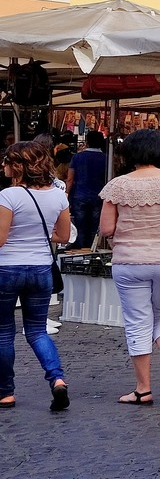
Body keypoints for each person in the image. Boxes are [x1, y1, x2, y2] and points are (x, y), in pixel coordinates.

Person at [99, 129, 160, 406]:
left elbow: (106, 228)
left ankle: (143, 389)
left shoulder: (118, 186)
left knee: (137, 322)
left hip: (129, 263)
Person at [0, 142, 71, 411]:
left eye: (6, 160)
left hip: (7, 268)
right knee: (37, 331)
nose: (3, 165)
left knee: (4, 333)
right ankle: (57, 379)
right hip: (41, 269)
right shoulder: (58, 196)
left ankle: (5, 392)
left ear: (18, 165)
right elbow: (63, 237)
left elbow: (0, 239)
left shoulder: (8, 196)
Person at [65, 130, 108, 249]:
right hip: (99, 196)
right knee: (95, 225)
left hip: (80, 196)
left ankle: (81, 250)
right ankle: (92, 249)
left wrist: (66, 194)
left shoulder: (77, 157)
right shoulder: (106, 158)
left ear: (87, 142)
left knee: (80, 224)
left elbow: (70, 179)